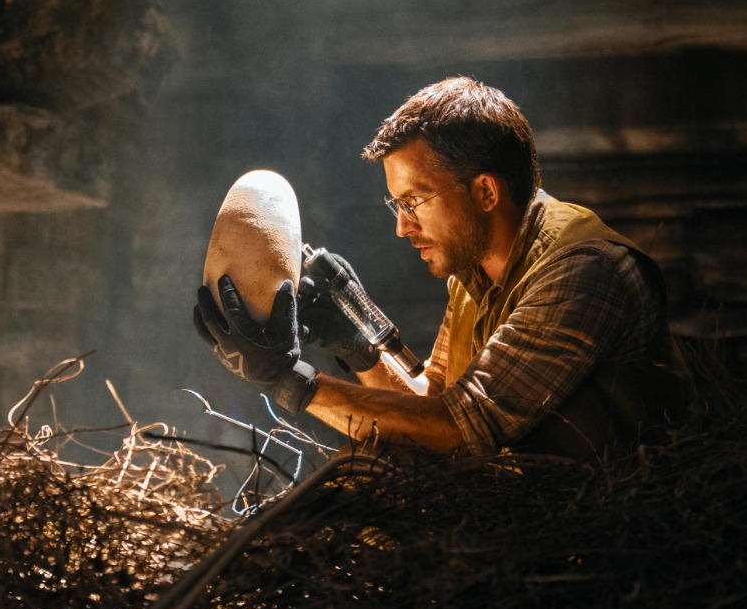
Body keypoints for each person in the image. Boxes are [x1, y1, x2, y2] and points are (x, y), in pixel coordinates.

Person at [194, 76, 690, 458]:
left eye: (414, 201)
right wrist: (358, 345)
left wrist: (290, 381)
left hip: (617, 527)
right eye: (397, 205)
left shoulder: (584, 272)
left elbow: (460, 430)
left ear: (486, 192)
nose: (402, 227)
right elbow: (430, 404)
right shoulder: (473, 276)